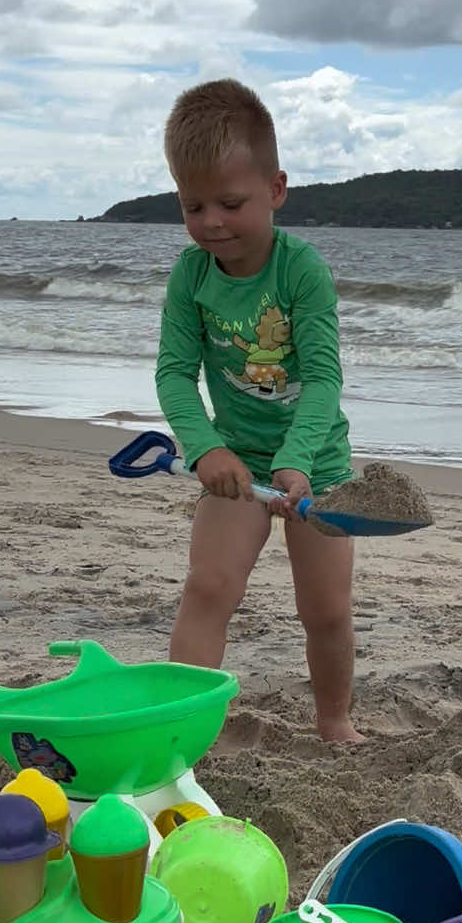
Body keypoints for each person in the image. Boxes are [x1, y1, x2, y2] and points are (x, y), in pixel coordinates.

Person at [155, 78, 361, 742]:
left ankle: (334, 721)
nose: (211, 220)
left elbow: (324, 378)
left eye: (230, 202)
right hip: (236, 460)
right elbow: (175, 374)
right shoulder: (191, 276)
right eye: (193, 205)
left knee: (324, 608)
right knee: (208, 586)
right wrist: (204, 448)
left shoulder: (302, 271)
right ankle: (179, 731)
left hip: (317, 464)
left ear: (275, 189)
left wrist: (299, 464)